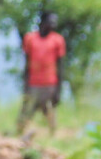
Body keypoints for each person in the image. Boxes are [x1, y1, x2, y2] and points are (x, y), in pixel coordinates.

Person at [16, 10, 66, 139]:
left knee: (50, 116)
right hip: (33, 84)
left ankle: (52, 138)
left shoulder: (58, 40)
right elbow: (27, 64)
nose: (54, 24)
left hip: (50, 84)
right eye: (51, 21)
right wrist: (25, 85)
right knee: (25, 114)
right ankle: (18, 136)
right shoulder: (30, 38)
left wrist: (58, 90)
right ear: (43, 21)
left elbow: (60, 66)